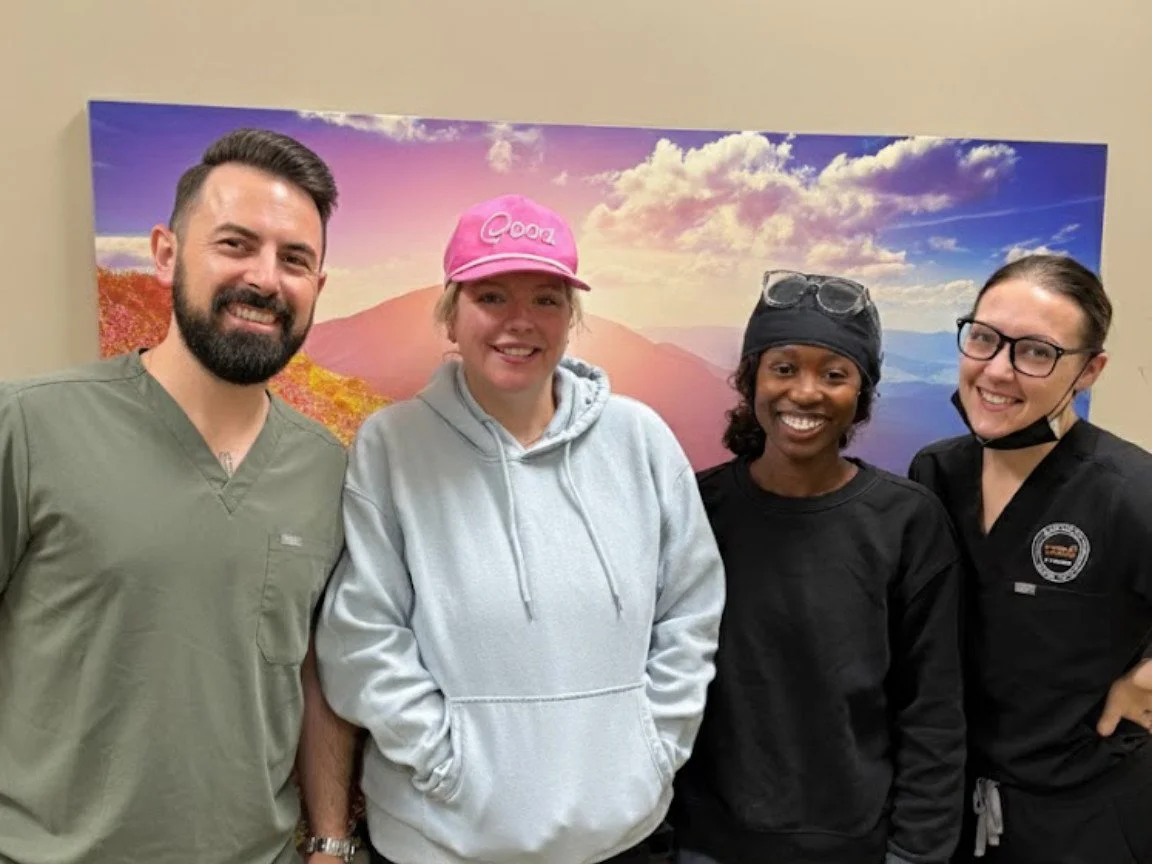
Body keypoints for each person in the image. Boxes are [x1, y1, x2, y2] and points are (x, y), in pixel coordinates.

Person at [313, 193, 726, 864]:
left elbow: (691, 611)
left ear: (572, 316)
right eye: (492, 296)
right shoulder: (394, 446)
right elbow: (362, 635)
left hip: (621, 840)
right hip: (442, 842)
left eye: (546, 299)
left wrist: (654, 747)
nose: (519, 322)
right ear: (451, 312)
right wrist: (446, 763)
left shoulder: (640, 440)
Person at [0, 129, 360, 864]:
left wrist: (328, 843)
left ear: (318, 287)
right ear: (165, 252)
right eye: (235, 243)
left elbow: (315, 672)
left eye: (295, 259)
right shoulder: (30, 426)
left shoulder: (328, 470)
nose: (266, 278)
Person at [670, 270, 967, 864]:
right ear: (751, 379)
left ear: (862, 391)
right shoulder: (694, 511)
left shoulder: (907, 522)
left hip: (855, 845)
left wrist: (916, 855)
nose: (805, 393)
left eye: (834, 374)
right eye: (783, 368)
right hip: (705, 843)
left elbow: (932, 712)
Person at [908, 254, 1152, 864]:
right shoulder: (936, 473)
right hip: (949, 809)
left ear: (1089, 370)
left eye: (1036, 352)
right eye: (985, 339)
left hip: (1086, 817)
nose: (997, 370)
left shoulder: (1129, 491)